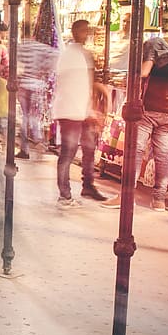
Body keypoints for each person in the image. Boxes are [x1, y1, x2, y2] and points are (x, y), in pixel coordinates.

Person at [125, 10, 168, 212]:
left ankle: (127, 196)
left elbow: (144, 72)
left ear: (163, 26)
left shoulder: (154, 44)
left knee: (136, 150)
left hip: (148, 107)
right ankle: (159, 200)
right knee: (163, 154)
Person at [53, 19, 111, 207]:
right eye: (83, 30)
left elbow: (87, 83)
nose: (85, 34)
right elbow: (83, 83)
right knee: (69, 153)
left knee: (87, 150)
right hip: (72, 110)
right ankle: (65, 194)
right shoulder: (75, 55)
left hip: (79, 110)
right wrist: (91, 106)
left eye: (87, 30)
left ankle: (87, 186)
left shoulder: (76, 54)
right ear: (75, 31)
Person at [16, 22, 59, 159]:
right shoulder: (40, 47)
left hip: (24, 85)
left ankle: (25, 149)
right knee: (34, 116)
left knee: (25, 117)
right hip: (36, 84)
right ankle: (39, 140)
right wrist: (45, 71)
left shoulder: (21, 47)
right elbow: (55, 54)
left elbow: (17, 66)